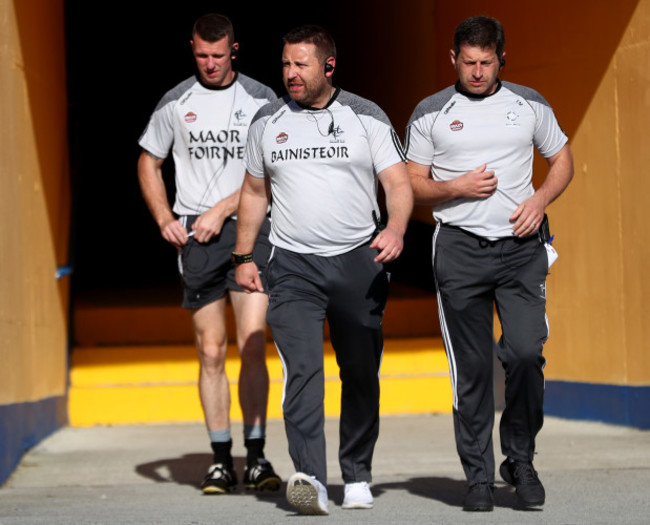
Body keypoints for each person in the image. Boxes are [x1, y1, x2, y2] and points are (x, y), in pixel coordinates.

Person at [233, 24, 413, 515]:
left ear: (328, 67)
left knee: (359, 371)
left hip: (360, 261)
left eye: (301, 65)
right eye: (286, 64)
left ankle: (356, 473)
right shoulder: (267, 121)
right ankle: (309, 476)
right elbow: (254, 192)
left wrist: (396, 229)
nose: (291, 74)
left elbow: (397, 184)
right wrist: (244, 256)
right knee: (303, 370)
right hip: (292, 265)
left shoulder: (365, 116)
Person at [405, 15, 574, 512]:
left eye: (486, 62)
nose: (477, 72)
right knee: (473, 368)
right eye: (468, 62)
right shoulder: (431, 111)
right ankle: (477, 475)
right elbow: (410, 182)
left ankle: (519, 459)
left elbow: (562, 158)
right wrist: (453, 187)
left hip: (521, 249)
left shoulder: (529, 104)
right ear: (453, 59)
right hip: (458, 248)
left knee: (524, 353)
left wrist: (540, 199)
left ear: (502, 58)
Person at [137, 13, 281, 495]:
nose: (210, 63)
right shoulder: (177, 102)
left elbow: (274, 171)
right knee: (211, 349)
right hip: (197, 237)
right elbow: (148, 161)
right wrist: (164, 219)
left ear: (234, 51)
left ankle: (257, 456)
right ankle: (221, 459)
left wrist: (224, 208)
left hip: (251, 230)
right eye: (202, 54)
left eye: (219, 55)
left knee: (255, 341)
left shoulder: (261, 99)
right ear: (192, 49)